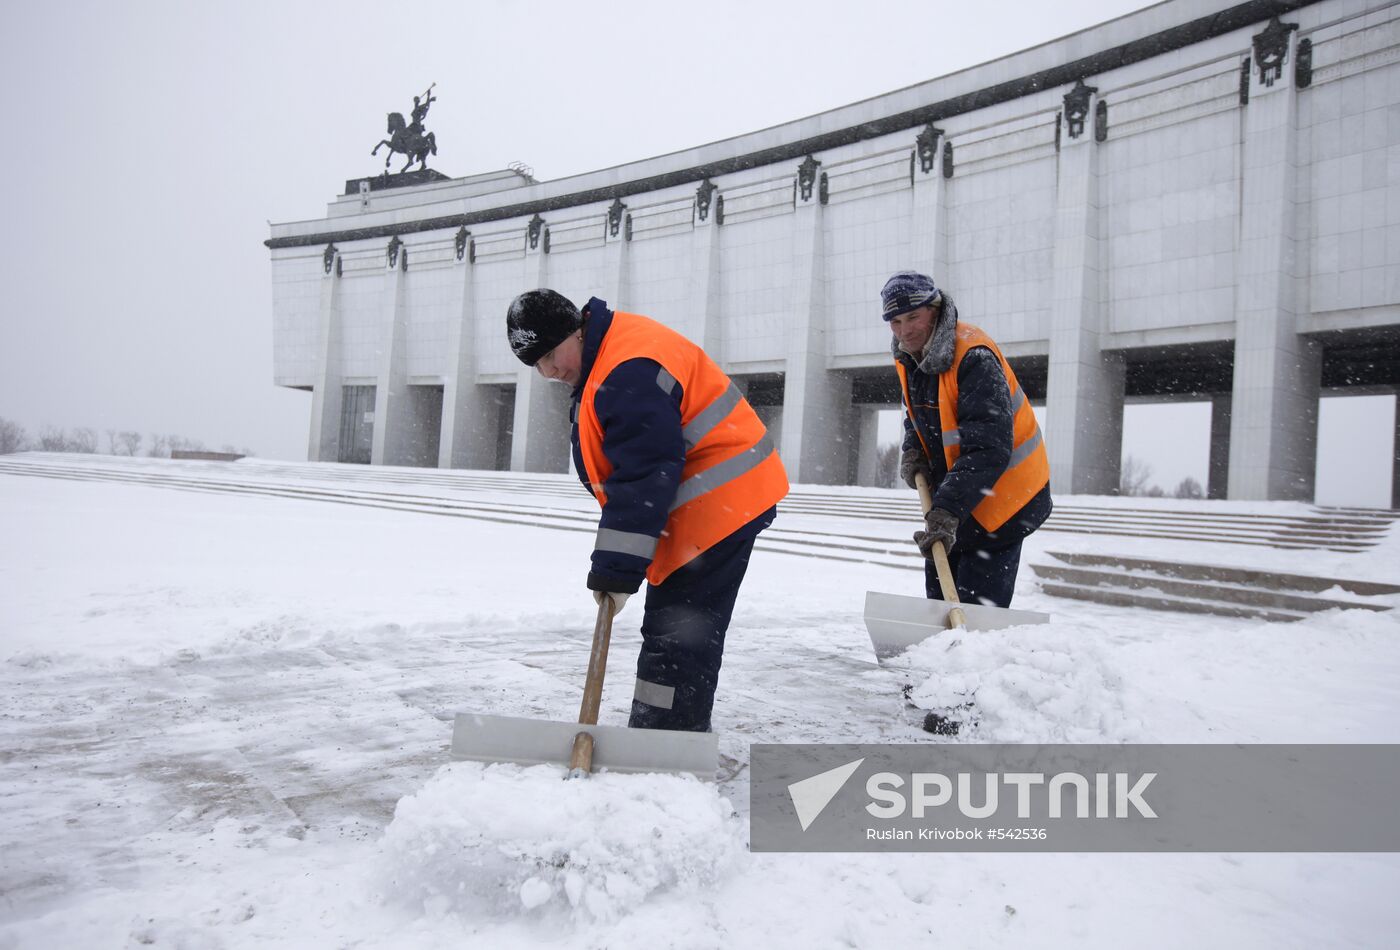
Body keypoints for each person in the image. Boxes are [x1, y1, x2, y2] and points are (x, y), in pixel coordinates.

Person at [506, 290, 789, 733]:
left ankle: (666, 739)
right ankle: (662, 728)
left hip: (722, 499)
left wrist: (617, 570)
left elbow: (642, 477)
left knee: (678, 632)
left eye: (549, 355)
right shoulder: (611, 355)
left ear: (576, 330)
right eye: (535, 365)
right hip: (704, 496)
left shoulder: (626, 371)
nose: (548, 371)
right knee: (674, 628)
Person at [882, 270, 1052, 608]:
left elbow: (988, 446)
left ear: (935, 309)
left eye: (913, 317)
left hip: (1005, 497)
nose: (905, 330)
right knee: (940, 600)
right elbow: (919, 415)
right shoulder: (909, 357)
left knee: (976, 612)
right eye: (896, 321)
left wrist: (947, 509)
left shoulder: (974, 356)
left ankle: (976, 652)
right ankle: (944, 652)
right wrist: (913, 448)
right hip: (962, 488)